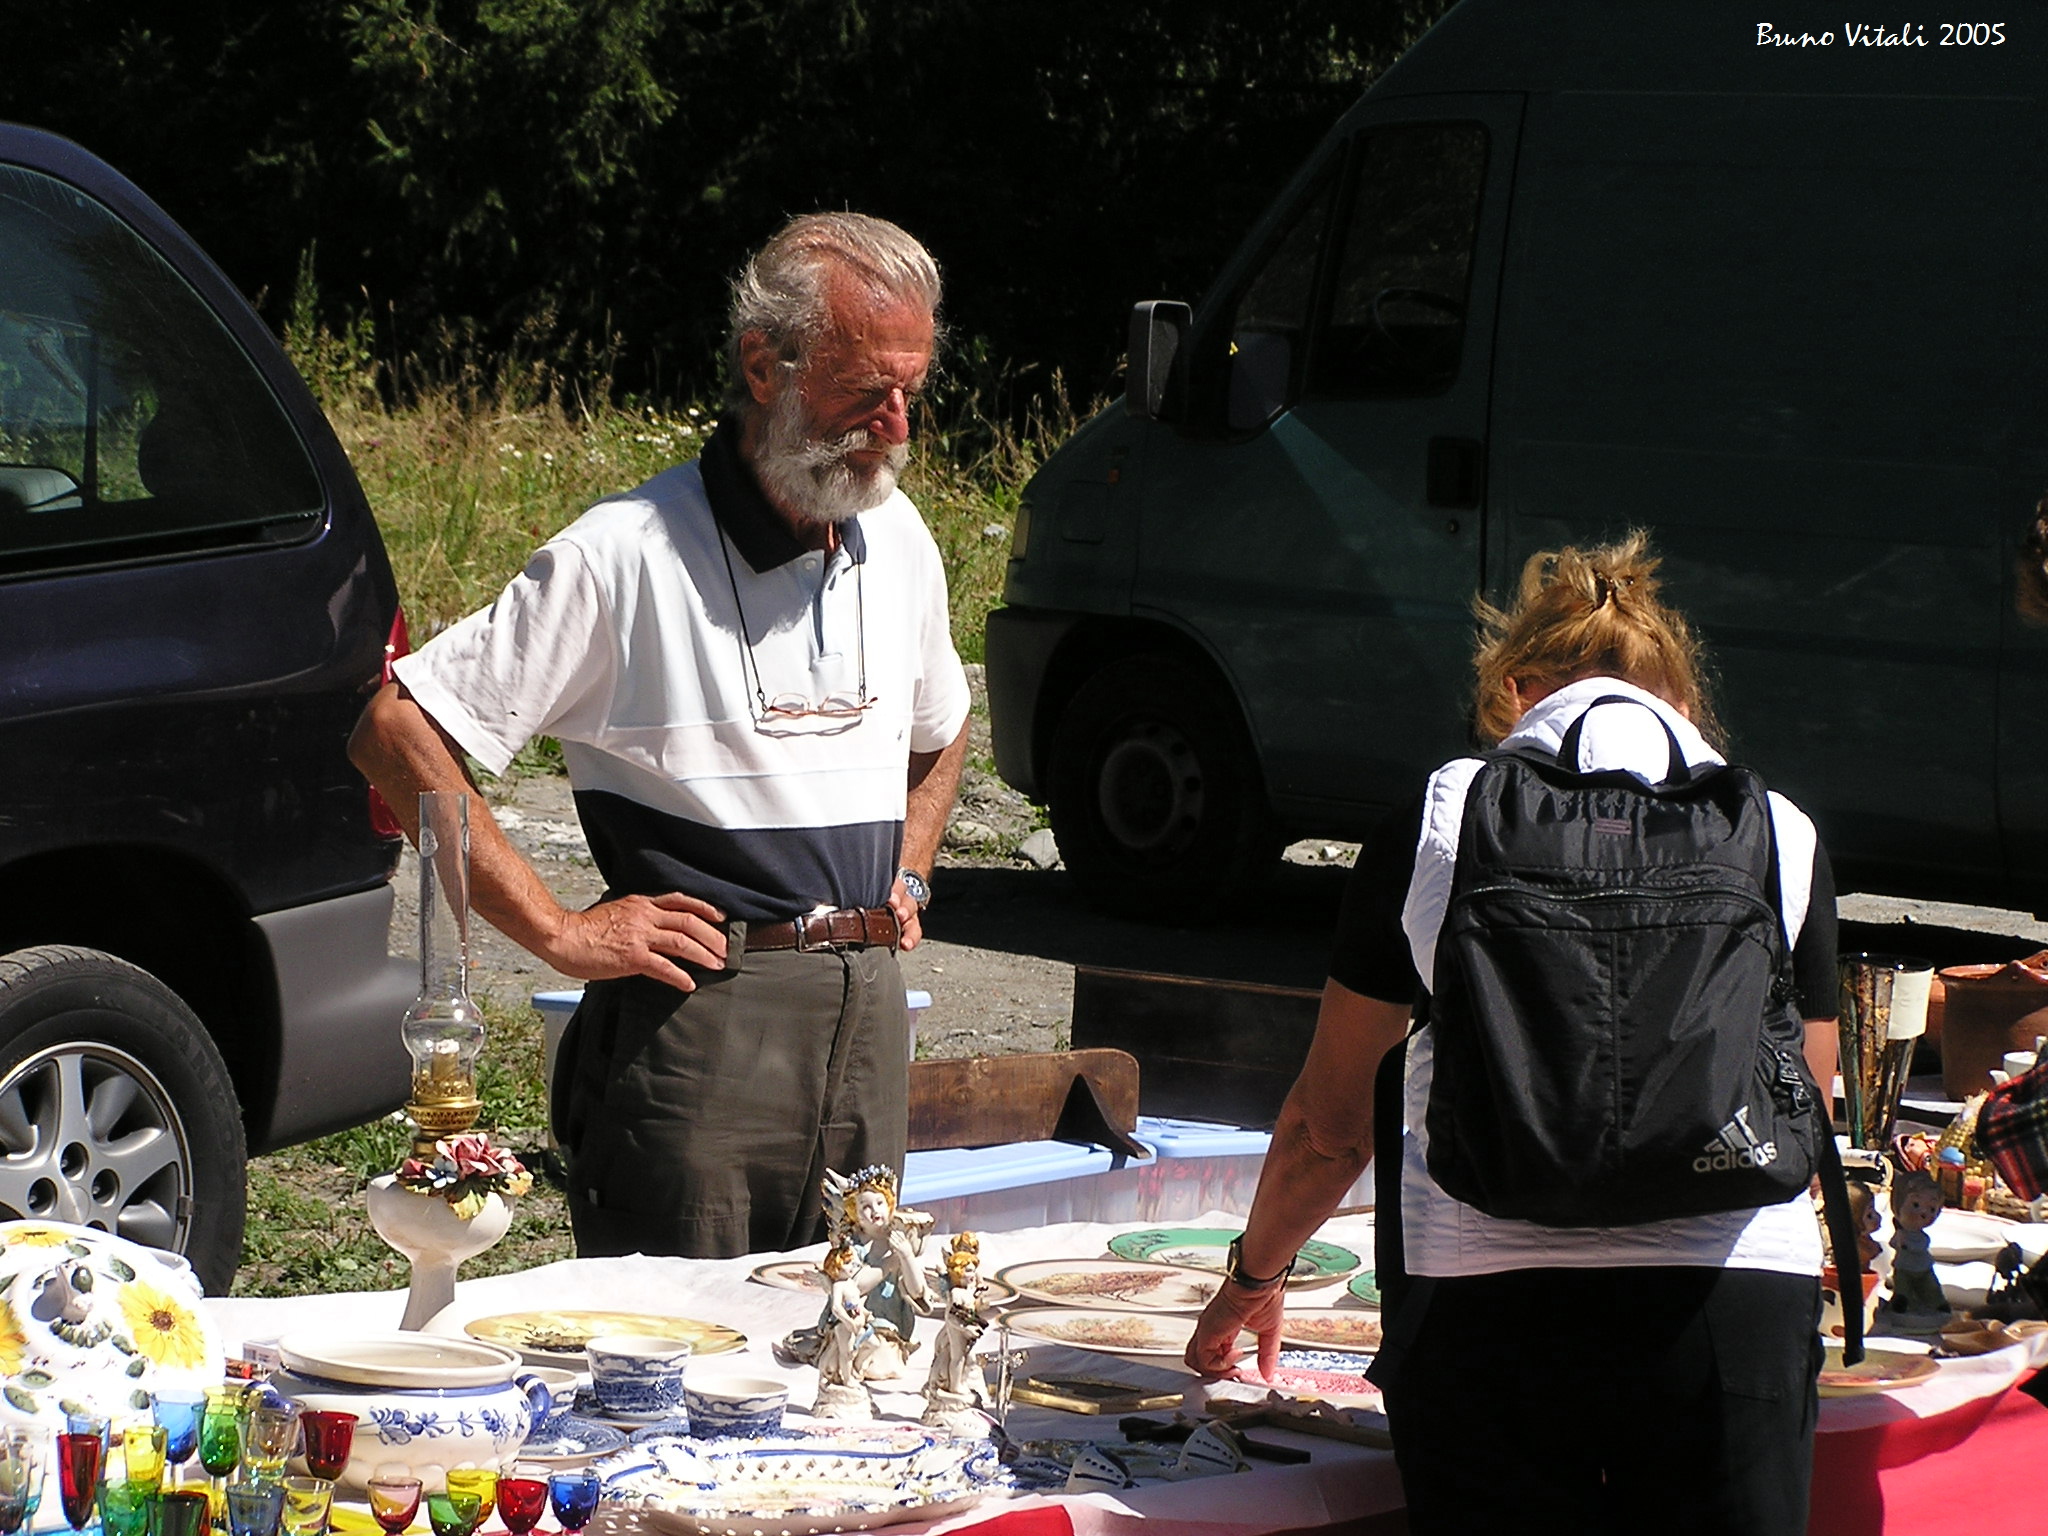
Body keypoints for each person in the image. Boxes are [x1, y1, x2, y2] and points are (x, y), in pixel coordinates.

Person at [1185, 532, 1839, 1536]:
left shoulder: (1441, 813)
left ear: (1516, 687)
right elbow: (1810, 1094)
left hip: (1484, 1300)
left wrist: (1252, 1280)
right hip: (1731, 1299)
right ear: (1681, 701)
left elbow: (1330, 1122)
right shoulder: (1775, 828)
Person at [349, 212, 971, 1259]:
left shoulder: (897, 536)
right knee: (674, 1357)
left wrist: (908, 871)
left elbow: (942, 729)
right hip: (700, 1027)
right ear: (763, 365)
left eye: (910, 389)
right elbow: (395, 731)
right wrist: (556, 932)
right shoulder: (622, 554)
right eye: (866, 393)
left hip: (866, 1021)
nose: (895, 425)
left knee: (852, 1338)